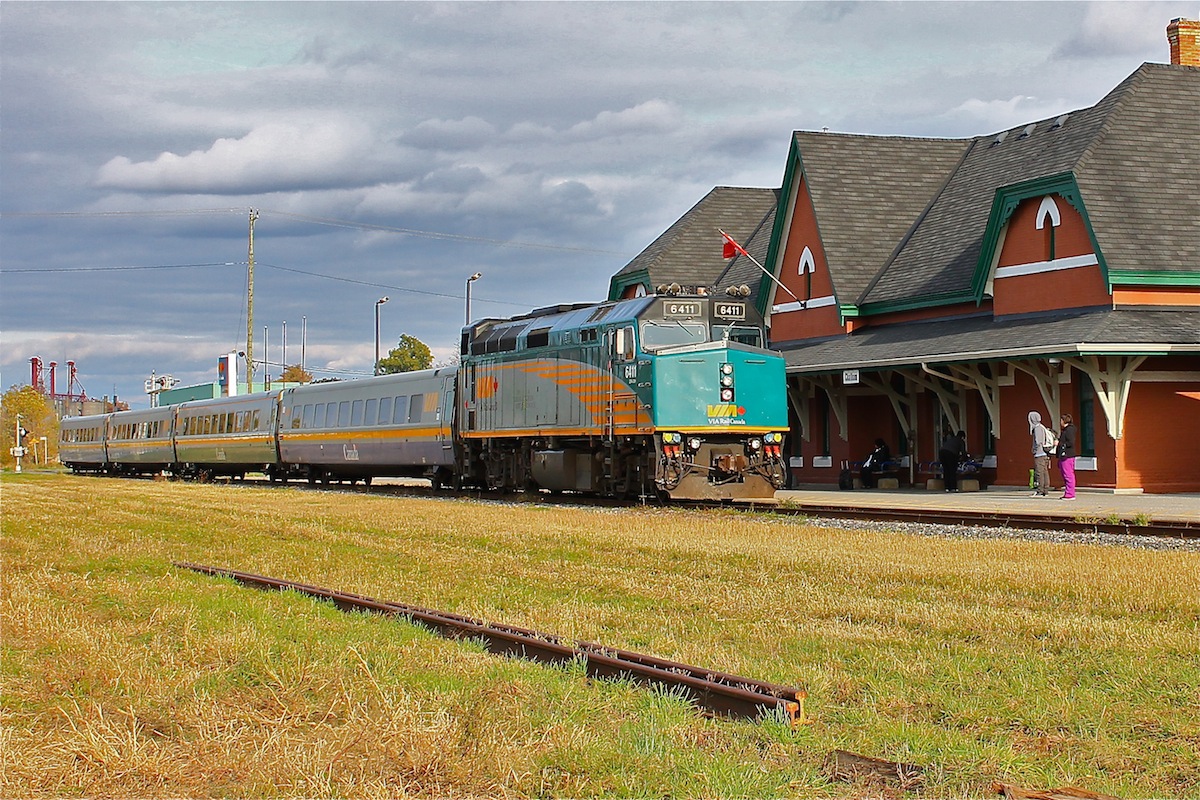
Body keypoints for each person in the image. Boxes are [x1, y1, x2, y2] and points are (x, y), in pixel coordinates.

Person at [1028, 410, 1053, 497]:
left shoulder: (1037, 428)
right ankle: (1045, 490)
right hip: (1045, 454)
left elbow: (1038, 442)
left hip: (1040, 454)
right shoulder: (1042, 427)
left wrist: (1034, 450)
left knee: (1039, 473)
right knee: (1045, 472)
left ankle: (1040, 490)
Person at [1057, 413, 1077, 500]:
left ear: (1064, 421)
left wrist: (1059, 443)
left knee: (1068, 475)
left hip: (1067, 455)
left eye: (1061, 420)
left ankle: (1070, 494)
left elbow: (1070, 443)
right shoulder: (1066, 430)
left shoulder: (1069, 431)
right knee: (1066, 474)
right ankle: (1068, 492)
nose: (1060, 422)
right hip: (1065, 456)